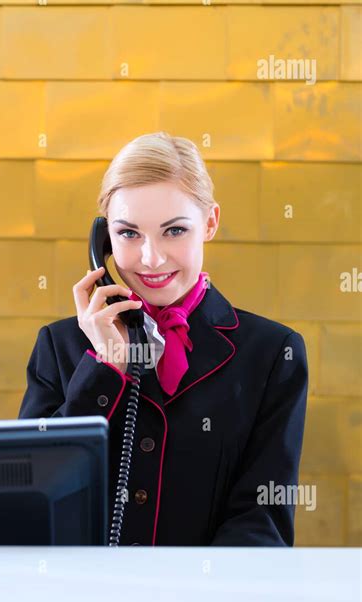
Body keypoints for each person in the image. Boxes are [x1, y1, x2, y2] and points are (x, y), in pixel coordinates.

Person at [18, 131, 309, 547]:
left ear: (209, 223)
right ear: (103, 239)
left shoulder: (272, 353)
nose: (151, 258)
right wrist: (104, 370)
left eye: (174, 231)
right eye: (129, 234)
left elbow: (262, 520)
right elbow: (29, 500)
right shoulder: (60, 345)